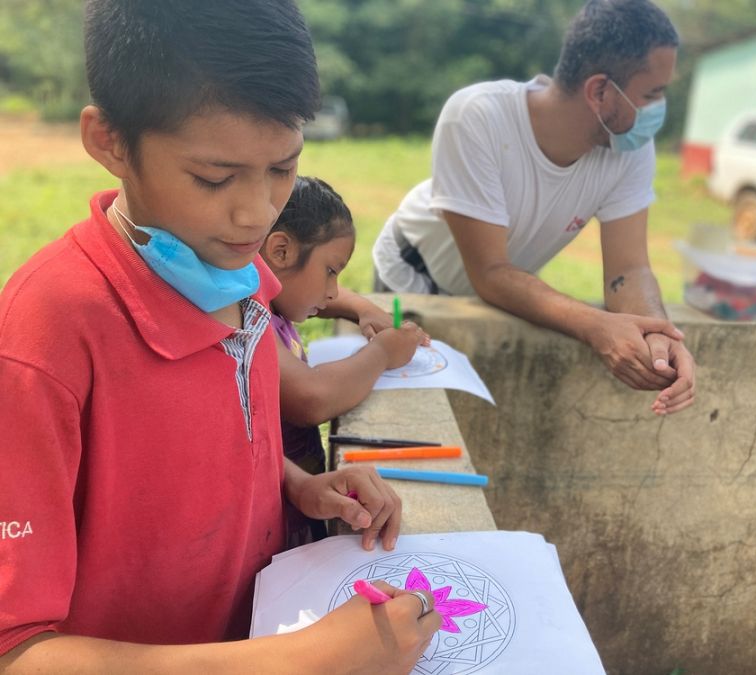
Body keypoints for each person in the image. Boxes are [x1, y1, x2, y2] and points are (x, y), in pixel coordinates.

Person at [0, 1, 440, 672]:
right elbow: (19, 649)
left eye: (282, 168)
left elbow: (214, 442)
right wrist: (298, 661)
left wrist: (294, 484)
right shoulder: (46, 338)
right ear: (110, 141)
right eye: (214, 177)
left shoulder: (242, 278)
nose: (257, 212)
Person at [372, 0, 695, 416]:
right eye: (651, 95)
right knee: (405, 417)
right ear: (599, 91)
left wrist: (660, 335)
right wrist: (597, 327)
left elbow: (628, 270)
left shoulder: (629, 148)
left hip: (499, 292)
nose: (657, 110)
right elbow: (490, 272)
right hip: (412, 281)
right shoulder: (478, 117)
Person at [262, 176, 428, 545]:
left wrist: (362, 309)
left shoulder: (270, 295)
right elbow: (311, 398)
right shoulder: (248, 314)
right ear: (281, 251)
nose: (333, 290)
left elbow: (313, 288)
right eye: (331, 271)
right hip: (274, 516)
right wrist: (382, 353)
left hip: (298, 495)